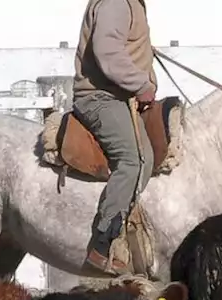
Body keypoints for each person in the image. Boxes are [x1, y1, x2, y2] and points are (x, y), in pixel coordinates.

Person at [72, 0, 159, 275]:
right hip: (100, 97)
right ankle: (103, 244)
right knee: (135, 159)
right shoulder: (116, 2)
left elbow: (132, 52)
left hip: (119, 94)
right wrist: (141, 85)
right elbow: (108, 51)